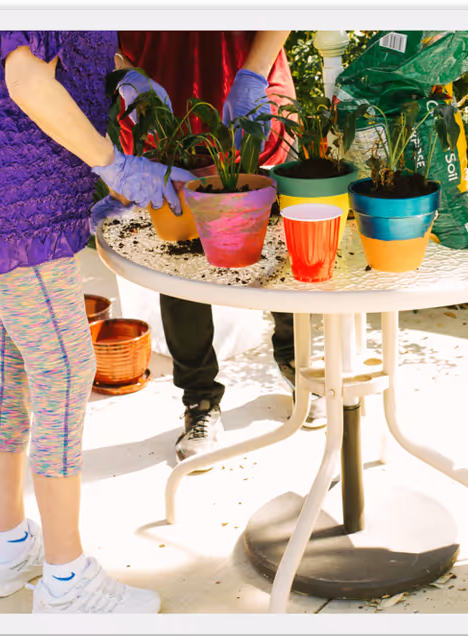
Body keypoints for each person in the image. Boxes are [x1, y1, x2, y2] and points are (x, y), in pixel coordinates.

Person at [0, 31, 190, 614]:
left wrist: (121, 75)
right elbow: (27, 79)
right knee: (65, 369)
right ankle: (68, 582)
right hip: (9, 185)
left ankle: (9, 545)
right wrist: (113, 164)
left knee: (14, 358)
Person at [109, 31, 328, 471]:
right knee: (179, 254)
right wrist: (124, 73)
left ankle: (300, 364)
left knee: (282, 240)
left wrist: (253, 72)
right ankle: (200, 401)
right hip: (161, 85)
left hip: (252, 68)